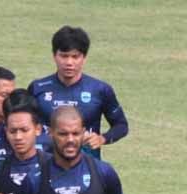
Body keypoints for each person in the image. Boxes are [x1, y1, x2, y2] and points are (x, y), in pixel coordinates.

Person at [29, 25, 128, 157]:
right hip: (46, 166)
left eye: (75, 57)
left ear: (84, 58)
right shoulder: (37, 88)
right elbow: (25, 125)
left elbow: (121, 125)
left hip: (87, 167)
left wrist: (102, 138)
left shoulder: (100, 89)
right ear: (54, 56)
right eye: (64, 56)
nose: (69, 62)